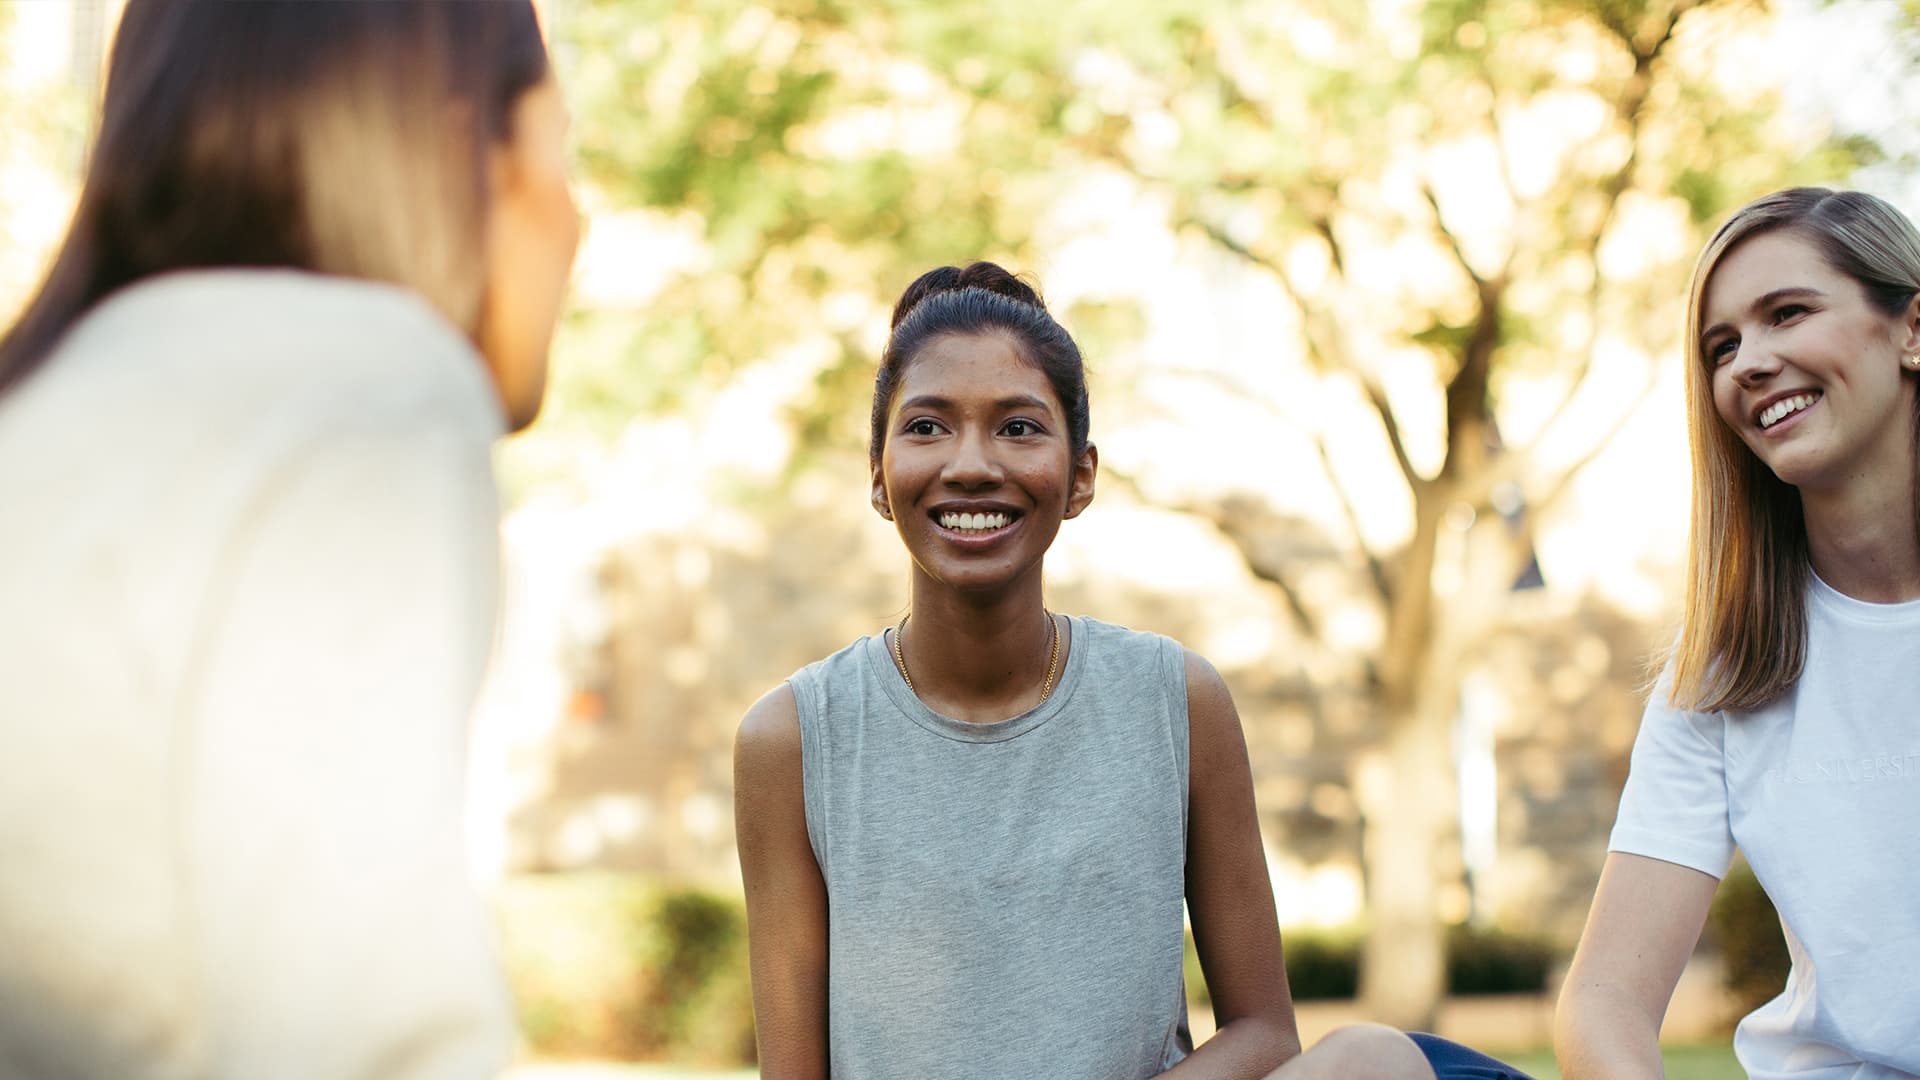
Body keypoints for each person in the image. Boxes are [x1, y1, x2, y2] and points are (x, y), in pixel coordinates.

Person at [0, 2, 579, 1077]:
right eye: (559, 152)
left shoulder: (44, 409)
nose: (573, 221)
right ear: (461, 145)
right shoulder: (368, 382)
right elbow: (351, 1031)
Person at [733, 261, 1490, 1079]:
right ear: (879, 477)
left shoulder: (1176, 702)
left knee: (1376, 1060)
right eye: (927, 427)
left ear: (1081, 475)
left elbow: (1267, 1032)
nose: (972, 464)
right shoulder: (794, 741)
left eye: (1019, 427)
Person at [1555, 188, 1920, 1077]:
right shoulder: (1724, 668)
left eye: (1786, 313)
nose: (1748, 365)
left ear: (1911, 330)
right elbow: (1604, 1001)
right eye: (1721, 348)